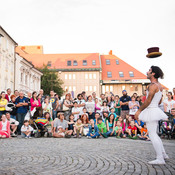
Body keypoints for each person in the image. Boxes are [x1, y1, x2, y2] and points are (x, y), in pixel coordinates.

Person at [135, 66, 168, 164]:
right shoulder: (159, 85)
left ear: (153, 73)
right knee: (154, 134)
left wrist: (139, 111)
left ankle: (160, 158)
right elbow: (160, 100)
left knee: (152, 134)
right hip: (155, 109)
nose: (147, 72)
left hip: (151, 110)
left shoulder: (152, 86)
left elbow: (148, 100)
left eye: (149, 70)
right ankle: (163, 154)